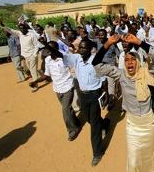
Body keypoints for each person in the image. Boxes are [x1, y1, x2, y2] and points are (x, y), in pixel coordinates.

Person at [92, 33, 154, 172]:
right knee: (133, 162)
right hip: (132, 126)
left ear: (138, 62)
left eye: (133, 59)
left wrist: (139, 42)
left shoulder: (148, 73)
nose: (130, 62)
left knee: (152, 158)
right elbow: (96, 65)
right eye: (126, 60)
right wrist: (108, 44)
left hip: (150, 123)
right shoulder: (120, 75)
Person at [41, 38, 110, 166]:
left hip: (95, 95)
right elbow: (60, 54)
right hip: (83, 96)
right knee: (89, 119)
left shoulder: (96, 60)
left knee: (94, 125)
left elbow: (104, 79)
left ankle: (97, 152)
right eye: (80, 47)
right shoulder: (76, 58)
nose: (81, 50)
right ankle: (105, 124)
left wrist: (106, 94)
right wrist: (46, 44)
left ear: (90, 50)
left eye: (84, 48)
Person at [29, 41, 81, 141]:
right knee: (68, 109)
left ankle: (72, 130)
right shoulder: (48, 60)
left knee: (65, 110)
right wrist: (36, 81)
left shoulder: (63, 57)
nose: (48, 51)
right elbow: (46, 75)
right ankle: (76, 122)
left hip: (67, 87)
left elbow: (74, 65)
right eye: (47, 49)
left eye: (50, 49)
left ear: (55, 49)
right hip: (57, 88)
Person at [0, 20, 40, 92]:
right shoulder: (19, 33)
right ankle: (38, 77)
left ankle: (35, 85)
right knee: (29, 70)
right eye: (20, 28)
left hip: (32, 55)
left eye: (22, 28)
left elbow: (36, 45)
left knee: (33, 71)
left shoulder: (31, 35)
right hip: (25, 56)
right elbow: (10, 30)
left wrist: (34, 55)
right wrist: (3, 25)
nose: (21, 30)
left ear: (26, 28)